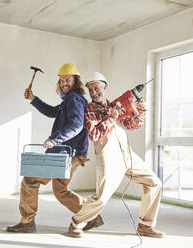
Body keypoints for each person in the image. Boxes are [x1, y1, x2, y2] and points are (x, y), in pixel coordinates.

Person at [7, 64, 103, 233]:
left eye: (68, 79)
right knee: (61, 191)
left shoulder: (74, 99)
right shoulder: (71, 99)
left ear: (76, 81)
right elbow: (53, 112)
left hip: (65, 152)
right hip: (74, 154)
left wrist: (54, 139)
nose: (64, 82)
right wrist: (34, 99)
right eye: (62, 79)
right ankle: (92, 217)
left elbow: (76, 125)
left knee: (30, 180)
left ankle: (27, 222)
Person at [68, 72, 165, 238]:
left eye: (96, 88)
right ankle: (76, 223)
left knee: (154, 183)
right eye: (90, 89)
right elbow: (94, 135)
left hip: (127, 154)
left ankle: (145, 225)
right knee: (101, 197)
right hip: (108, 157)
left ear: (104, 87)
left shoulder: (116, 105)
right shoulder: (90, 110)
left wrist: (140, 111)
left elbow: (131, 124)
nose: (93, 92)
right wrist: (111, 119)